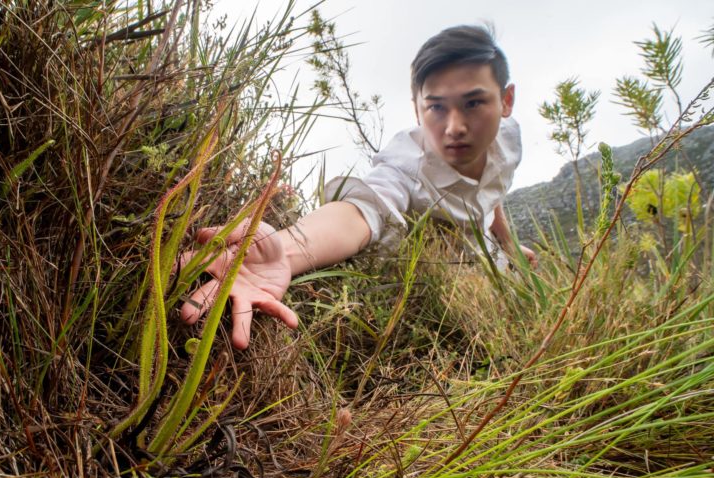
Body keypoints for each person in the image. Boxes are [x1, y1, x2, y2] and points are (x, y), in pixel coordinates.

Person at [180, 25, 537, 350]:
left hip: (487, 251)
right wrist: (286, 251)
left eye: (474, 103)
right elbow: (362, 211)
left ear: (506, 102)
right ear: (417, 110)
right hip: (446, 268)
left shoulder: (509, 138)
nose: (455, 127)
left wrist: (509, 246)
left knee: (527, 303)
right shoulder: (407, 164)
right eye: (437, 108)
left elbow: (492, 191)